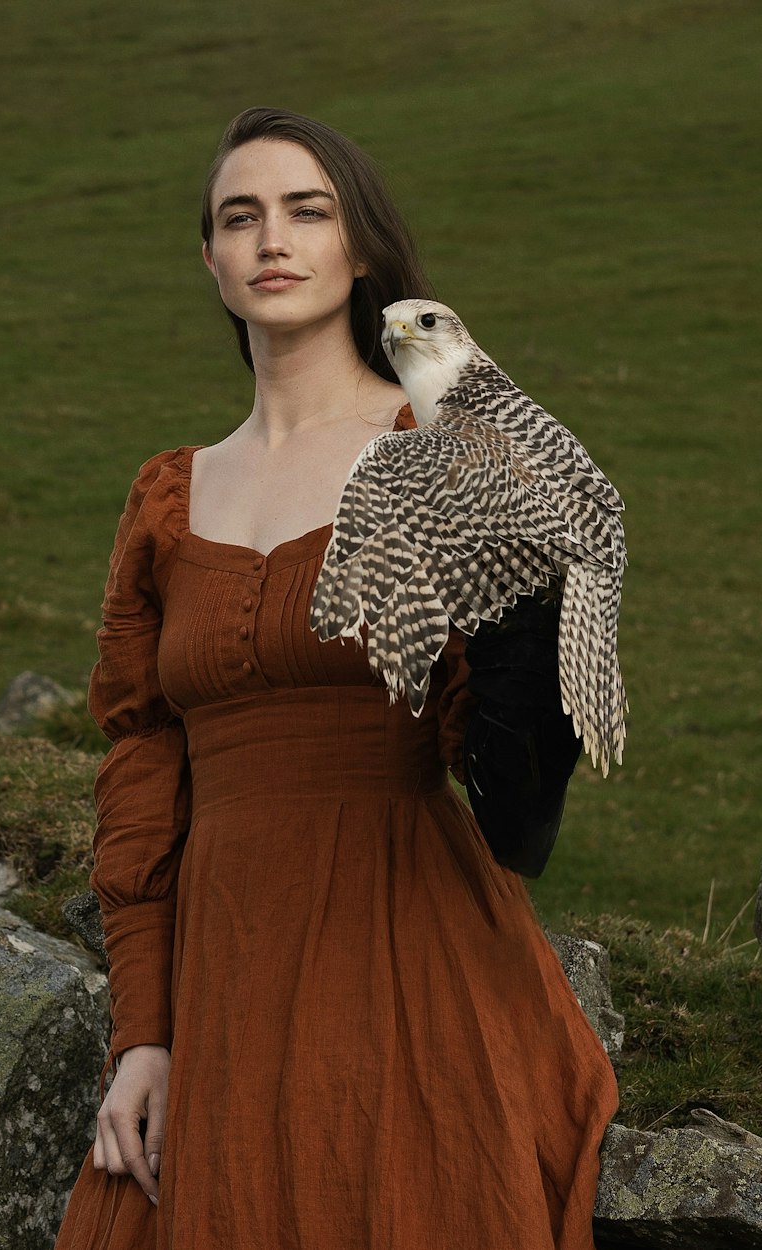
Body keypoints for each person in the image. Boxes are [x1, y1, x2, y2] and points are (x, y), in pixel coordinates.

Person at [54, 106, 618, 1250]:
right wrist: (143, 1031)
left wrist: (527, 609)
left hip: (407, 949)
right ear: (209, 260)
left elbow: (510, 796)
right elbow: (142, 764)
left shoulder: (450, 458)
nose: (273, 237)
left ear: (358, 248)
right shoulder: (168, 497)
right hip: (226, 965)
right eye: (239, 216)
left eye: (308, 211)